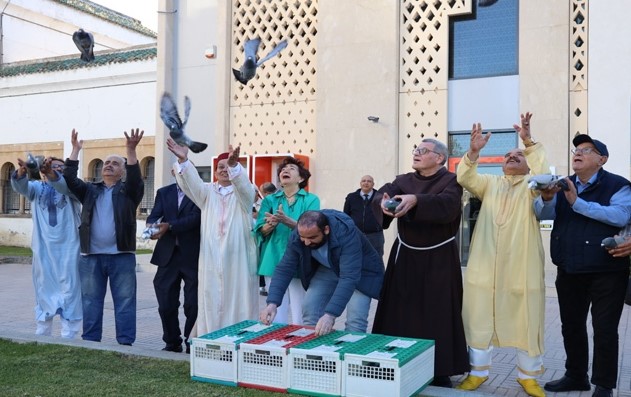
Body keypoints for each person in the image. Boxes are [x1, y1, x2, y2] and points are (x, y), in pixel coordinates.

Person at [455, 113, 548, 397]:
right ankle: (477, 374)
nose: (512, 157)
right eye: (508, 155)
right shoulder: (489, 184)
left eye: (518, 155)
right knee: (478, 317)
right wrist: (473, 152)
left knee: (527, 317)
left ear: (527, 163)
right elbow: (464, 176)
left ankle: (528, 377)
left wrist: (528, 141)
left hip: (522, 266)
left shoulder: (533, 188)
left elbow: (543, 173)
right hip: (484, 265)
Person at [535, 134, 631, 397]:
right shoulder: (560, 184)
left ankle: (604, 385)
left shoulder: (619, 185)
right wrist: (546, 199)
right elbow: (544, 217)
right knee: (571, 326)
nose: (578, 153)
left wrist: (577, 202)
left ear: (602, 159)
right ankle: (576, 376)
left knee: (604, 330)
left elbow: (620, 215)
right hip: (569, 268)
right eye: (576, 149)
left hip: (607, 270)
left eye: (586, 150)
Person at [371, 138, 469, 388]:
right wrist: (382, 204)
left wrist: (417, 200)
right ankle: (393, 360)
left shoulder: (451, 181)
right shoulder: (402, 180)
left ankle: (440, 370)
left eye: (423, 151)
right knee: (400, 311)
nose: (416, 153)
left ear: (439, 158)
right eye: (416, 149)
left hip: (439, 259)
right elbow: (381, 196)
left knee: (439, 313)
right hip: (405, 256)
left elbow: (448, 206)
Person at [58, 128, 144, 345]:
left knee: (125, 302)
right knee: (90, 302)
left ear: (122, 172)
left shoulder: (129, 192)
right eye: (107, 162)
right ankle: (90, 341)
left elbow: (135, 178)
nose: (109, 165)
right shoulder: (89, 190)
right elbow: (68, 177)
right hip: (91, 257)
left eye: (115, 163)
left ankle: (125, 343)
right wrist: (75, 150)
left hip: (121, 256)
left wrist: (130, 150)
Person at [166, 138, 259, 336]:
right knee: (212, 296)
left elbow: (246, 191)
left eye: (229, 166)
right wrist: (184, 161)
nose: (224, 170)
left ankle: (240, 337)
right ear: (215, 171)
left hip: (239, 257)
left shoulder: (244, 192)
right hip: (211, 255)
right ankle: (212, 337)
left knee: (239, 296)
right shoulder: (207, 193)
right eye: (220, 167)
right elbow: (191, 184)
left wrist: (235, 167)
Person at [259, 209, 384, 335]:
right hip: (328, 268)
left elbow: (349, 277)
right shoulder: (297, 235)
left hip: (361, 273)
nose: (307, 242)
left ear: (326, 230)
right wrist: (272, 303)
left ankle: (352, 353)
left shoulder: (346, 232)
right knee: (310, 309)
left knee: (355, 320)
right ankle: (313, 352)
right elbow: (285, 268)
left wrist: (330, 315)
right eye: (303, 238)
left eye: (312, 237)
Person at [10, 156, 82, 338]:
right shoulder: (36, 188)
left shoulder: (72, 190)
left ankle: (69, 334)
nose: (56, 169)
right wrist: (22, 172)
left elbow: (61, 186)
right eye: (52, 167)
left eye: (59, 168)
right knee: (44, 288)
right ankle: (42, 331)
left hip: (69, 249)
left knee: (70, 289)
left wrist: (51, 174)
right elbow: (21, 186)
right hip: (44, 249)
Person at [254, 157, 320, 324]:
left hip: (300, 259)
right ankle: (277, 344)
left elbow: (312, 227)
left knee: (301, 309)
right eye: (283, 169)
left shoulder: (311, 199)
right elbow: (259, 229)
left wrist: (286, 220)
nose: (285, 170)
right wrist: (271, 224)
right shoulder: (270, 200)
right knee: (276, 308)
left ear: (301, 178)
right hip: (272, 258)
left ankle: (301, 344)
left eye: (291, 168)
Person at [146, 170, 201, 353]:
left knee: (192, 304)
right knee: (166, 304)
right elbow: (154, 216)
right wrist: (151, 228)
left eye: (187, 169)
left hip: (193, 256)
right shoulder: (164, 192)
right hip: (167, 256)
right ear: (173, 172)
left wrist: (169, 226)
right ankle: (171, 342)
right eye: (179, 170)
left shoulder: (200, 191)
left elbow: (196, 218)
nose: (183, 173)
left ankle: (191, 342)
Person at [343, 175, 384, 257]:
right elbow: (345, 216)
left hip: (375, 236)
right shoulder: (351, 197)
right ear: (360, 183)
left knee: (376, 260)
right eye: (364, 181)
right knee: (356, 258)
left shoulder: (380, 197)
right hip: (356, 235)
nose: (366, 183)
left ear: (373, 184)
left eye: (369, 181)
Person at [255, 181, 278, 296]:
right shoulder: (267, 201)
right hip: (267, 244)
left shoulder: (268, 200)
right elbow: (260, 227)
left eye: (261, 192)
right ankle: (262, 286)